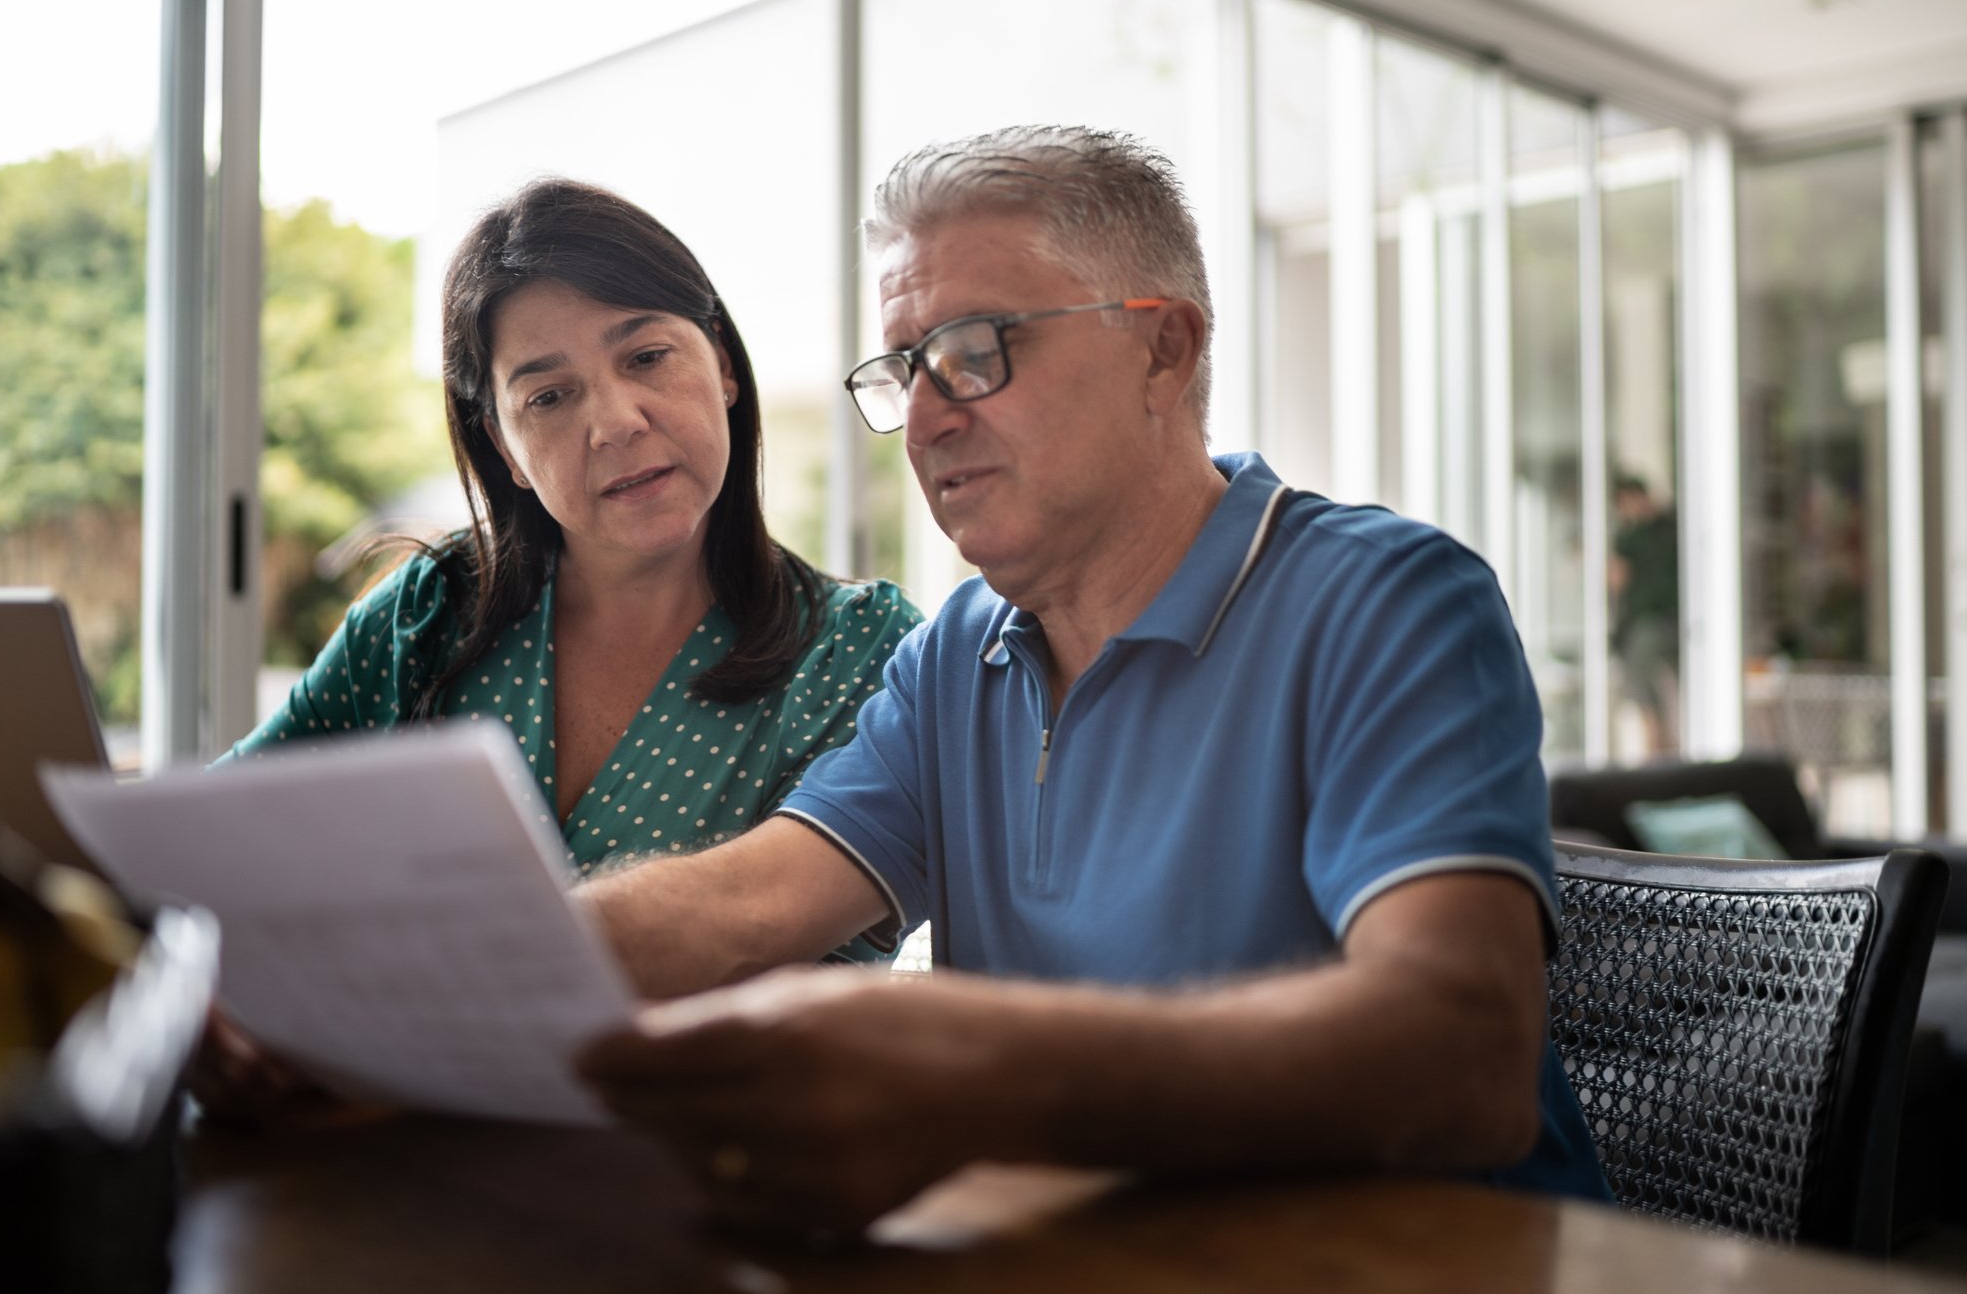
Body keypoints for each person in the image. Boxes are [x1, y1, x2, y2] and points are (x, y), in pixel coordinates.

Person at [573, 126, 1610, 1231]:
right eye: (903, 368)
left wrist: (975, 1076)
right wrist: (455, 973)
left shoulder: (1387, 601)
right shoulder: (954, 650)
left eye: (975, 349)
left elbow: (1459, 1057)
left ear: (1162, 352)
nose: (924, 417)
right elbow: (744, 902)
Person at [200, 178, 921, 1110]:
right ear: (502, 445)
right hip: (389, 1164)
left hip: (719, 1182)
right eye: (548, 396)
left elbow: (778, 956)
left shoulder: (866, 655)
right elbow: (223, 837)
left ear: (726, 369)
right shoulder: (430, 615)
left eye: (650, 355)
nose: (616, 420)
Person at [1609, 474, 1679, 755]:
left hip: (1652, 624)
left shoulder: (1638, 537)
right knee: (1653, 695)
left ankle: (1655, 756)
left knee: (1644, 697)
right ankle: (1662, 752)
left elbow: (1618, 579)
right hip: (1662, 624)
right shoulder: (1668, 529)